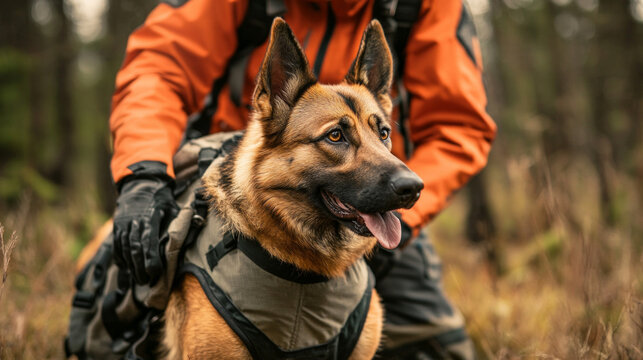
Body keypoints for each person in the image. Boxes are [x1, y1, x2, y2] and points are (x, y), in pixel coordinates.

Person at [109, 0, 496, 358]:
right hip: (243, 186)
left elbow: (458, 127)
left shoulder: (425, 4)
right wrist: (143, 173)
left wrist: (405, 218)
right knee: (122, 297)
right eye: (335, 135)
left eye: (383, 130)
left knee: (438, 348)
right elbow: (157, 71)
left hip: (379, 206)